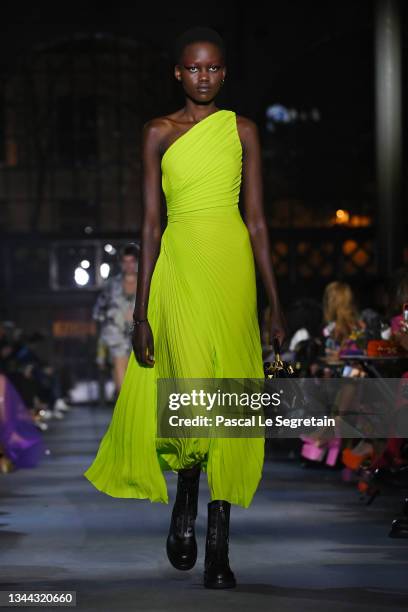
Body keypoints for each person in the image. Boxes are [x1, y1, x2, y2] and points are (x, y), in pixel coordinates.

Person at [83, 26, 286, 589]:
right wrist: (140, 310)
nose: (204, 77)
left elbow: (260, 221)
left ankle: (218, 548)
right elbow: (149, 224)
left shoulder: (242, 131)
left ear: (224, 73)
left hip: (232, 265)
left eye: (214, 69)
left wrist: (275, 302)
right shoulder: (158, 132)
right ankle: (186, 494)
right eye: (194, 69)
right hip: (178, 267)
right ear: (179, 73)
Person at [92, 243, 139, 393]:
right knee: (122, 382)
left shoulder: (149, 283)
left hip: (142, 335)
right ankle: (127, 411)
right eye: (125, 261)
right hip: (117, 337)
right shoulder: (111, 285)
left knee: (142, 380)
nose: (129, 265)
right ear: (121, 263)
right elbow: (98, 313)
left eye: (132, 261)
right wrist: (101, 350)